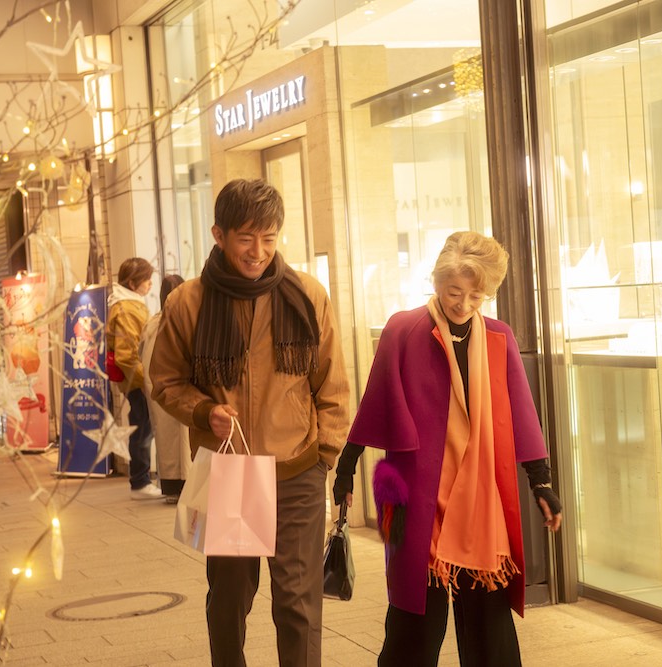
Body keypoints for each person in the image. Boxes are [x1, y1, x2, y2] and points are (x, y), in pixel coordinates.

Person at [332, 231, 563, 667]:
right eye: (454, 292)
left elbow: (520, 412)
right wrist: (346, 470)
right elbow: (375, 402)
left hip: (479, 502)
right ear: (437, 282)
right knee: (413, 626)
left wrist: (541, 483)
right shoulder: (404, 329)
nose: (464, 304)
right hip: (418, 496)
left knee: (490, 628)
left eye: (476, 295)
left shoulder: (498, 337)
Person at [150, 178, 350, 666]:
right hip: (231, 473)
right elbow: (166, 381)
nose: (258, 252)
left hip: (297, 471)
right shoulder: (189, 302)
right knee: (229, 603)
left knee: (298, 605)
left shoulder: (307, 295)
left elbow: (332, 384)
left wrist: (323, 455)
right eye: (245, 238)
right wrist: (204, 411)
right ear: (219, 235)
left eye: (269, 238)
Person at [107, 257, 161, 500]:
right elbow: (127, 355)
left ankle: (141, 480)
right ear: (132, 283)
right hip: (137, 381)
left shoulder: (129, 304)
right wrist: (146, 380)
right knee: (142, 428)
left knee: (143, 427)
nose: (150, 283)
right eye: (146, 279)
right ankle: (140, 482)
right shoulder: (127, 308)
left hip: (136, 379)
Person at [139, 274, 190, 504]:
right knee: (184, 438)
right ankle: (187, 485)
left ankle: (171, 487)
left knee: (166, 438)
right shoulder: (185, 321)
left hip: (157, 390)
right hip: (183, 387)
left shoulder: (152, 324)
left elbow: (141, 355)